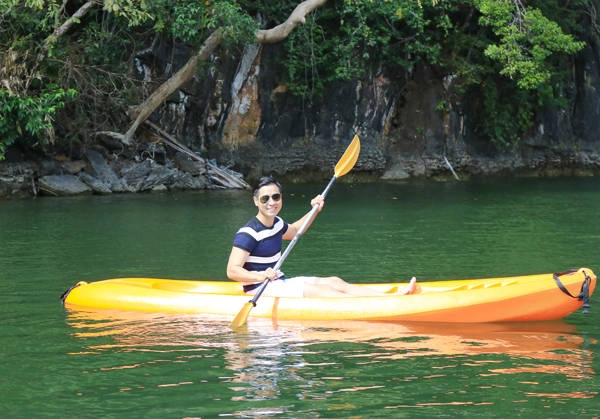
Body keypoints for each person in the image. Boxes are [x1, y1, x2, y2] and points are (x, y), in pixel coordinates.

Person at [226, 176, 417, 298]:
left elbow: (294, 231)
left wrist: (314, 210)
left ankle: (388, 296)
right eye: (265, 198)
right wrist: (260, 276)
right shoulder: (248, 233)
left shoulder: (276, 223)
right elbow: (232, 271)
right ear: (255, 201)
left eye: (276, 197)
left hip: (279, 282)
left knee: (334, 281)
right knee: (324, 292)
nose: (271, 203)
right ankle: (389, 303)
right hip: (259, 289)